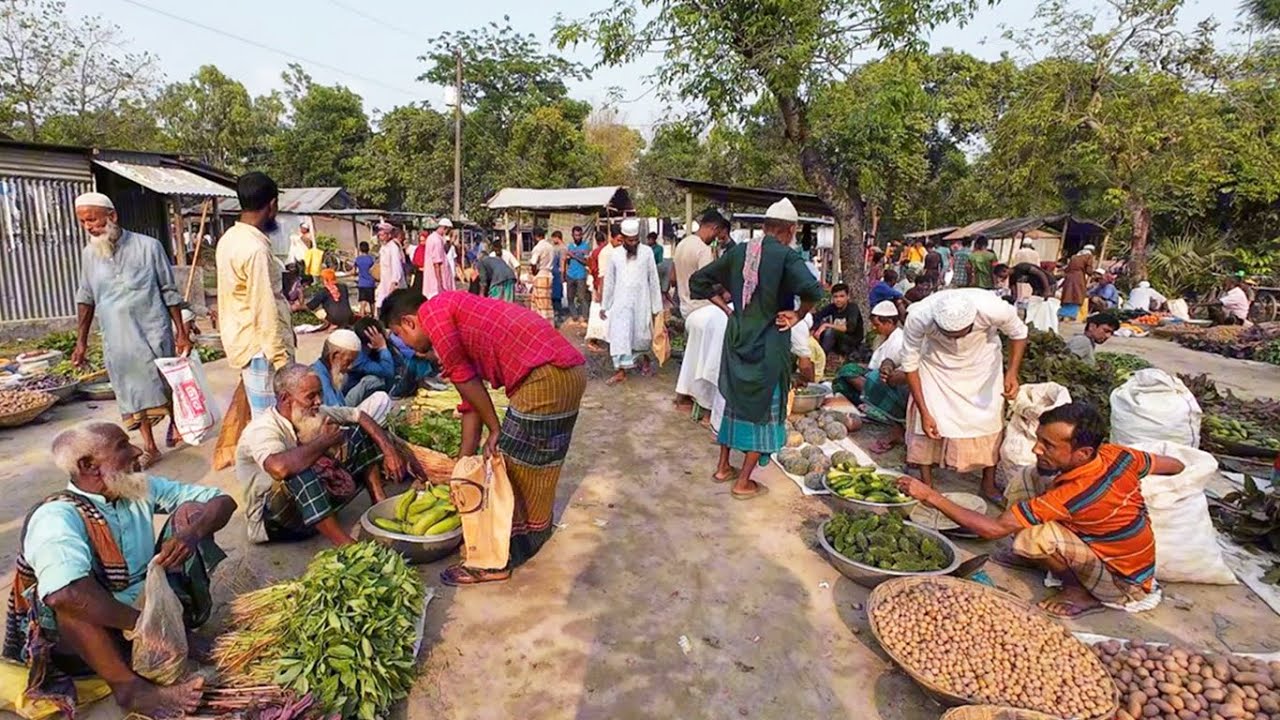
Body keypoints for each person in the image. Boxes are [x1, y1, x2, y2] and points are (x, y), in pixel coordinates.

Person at [4, 422, 235, 717]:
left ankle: (176, 630)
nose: (137, 450)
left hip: (139, 612)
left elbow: (223, 501)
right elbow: (63, 595)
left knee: (192, 513)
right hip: (89, 639)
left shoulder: (133, 488)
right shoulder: (57, 516)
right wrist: (148, 627)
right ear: (89, 465)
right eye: (122, 446)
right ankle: (130, 690)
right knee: (67, 596)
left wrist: (193, 532)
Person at [380, 289, 587, 586]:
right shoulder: (451, 311)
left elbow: (465, 381)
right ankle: (532, 535)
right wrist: (462, 464)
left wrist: (495, 429)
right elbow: (470, 401)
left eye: (400, 334)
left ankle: (494, 562)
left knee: (506, 471)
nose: (409, 347)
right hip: (567, 373)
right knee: (539, 464)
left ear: (409, 321)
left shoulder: (435, 316)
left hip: (543, 377)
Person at [898, 401, 1177, 618]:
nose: (1036, 448)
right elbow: (1175, 465)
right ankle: (1042, 562)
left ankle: (1080, 593)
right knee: (1030, 475)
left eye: (1048, 445)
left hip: (1123, 584)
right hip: (1111, 550)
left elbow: (993, 530)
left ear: (1083, 453)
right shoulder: (1118, 455)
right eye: (1039, 439)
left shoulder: (1075, 494)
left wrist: (930, 495)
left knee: (1033, 537)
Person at [689, 198, 824, 500]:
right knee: (764, 409)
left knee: (735, 401)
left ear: (764, 226)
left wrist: (728, 309)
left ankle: (724, 467)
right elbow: (814, 291)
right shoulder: (787, 257)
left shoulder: (739, 251)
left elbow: (698, 282)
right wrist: (799, 314)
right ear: (790, 230)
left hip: (737, 336)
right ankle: (743, 482)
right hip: (769, 340)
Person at [71, 192, 192, 467]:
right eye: (83, 222)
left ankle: (179, 423)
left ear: (111, 216)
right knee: (130, 393)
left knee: (163, 383)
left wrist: (181, 331)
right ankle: (150, 446)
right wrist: (81, 342)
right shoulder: (89, 255)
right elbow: (85, 297)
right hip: (117, 338)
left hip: (152, 330)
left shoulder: (148, 247)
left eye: (93, 220)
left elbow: (168, 291)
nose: (89, 227)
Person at [236, 363, 406, 546]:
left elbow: (358, 415)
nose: (318, 401)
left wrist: (389, 451)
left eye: (319, 393)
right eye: (311, 396)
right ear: (286, 398)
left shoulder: (312, 411)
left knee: (357, 433)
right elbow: (279, 468)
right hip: (275, 521)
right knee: (298, 470)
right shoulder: (263, 428)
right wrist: (325, 441)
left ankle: (379, 502)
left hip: (311, 508)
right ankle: (347, 545)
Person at [900, 289, 1028, 503]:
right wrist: (924, 411)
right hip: (936, 366)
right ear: (937, 324)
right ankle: (927, 483)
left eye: (960, 333)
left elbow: (1019, 333)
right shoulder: (919, 317)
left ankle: (987, 484)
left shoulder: (992, 308)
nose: (955, 340)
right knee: (928, 420)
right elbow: (910, 364)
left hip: (982, 364)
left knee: (988, 420)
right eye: (949, 335)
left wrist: (1012, 372)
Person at [216, 172, 295, 418]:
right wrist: (281, 360)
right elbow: (263, 306)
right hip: (262, 349)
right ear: (272, 205)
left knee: (262, 418)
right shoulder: (255, 249)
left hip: (247, 342)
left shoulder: (229, 238)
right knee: (271, 422)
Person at [674, 210, 730, 415]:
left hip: (686, 308)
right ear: (714, 228)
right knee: (710, 358)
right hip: (702, 309)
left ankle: (683, 396)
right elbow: (706, 284)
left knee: (693, 356)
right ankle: (706, 404)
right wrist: (725, 299)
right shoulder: (703, 251)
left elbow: (673, 276)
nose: (717, 238)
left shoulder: (682, 243)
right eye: (717, 233)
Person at [833, 300, 908, 452]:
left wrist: (870, 375)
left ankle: (880, 407)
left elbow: (887, 369)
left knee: (863, 375)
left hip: (895, 386)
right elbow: (875, 364)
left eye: (878, 324)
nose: (875, 328)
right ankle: (866, 402)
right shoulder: (882, 338)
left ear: (889, 322)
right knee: (845, 373)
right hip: (879, 375)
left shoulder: (898, 340)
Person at [602, 218, 663, 384]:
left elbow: (653, 279)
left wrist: (657, 306)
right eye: (630, 241)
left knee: (641, 335)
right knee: (620, 336)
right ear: (623, 239)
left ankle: (645, 362)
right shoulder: (615, 255)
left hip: (642, 302)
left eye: (636, 240)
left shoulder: (647, 252)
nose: (634, 243)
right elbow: (609, 282)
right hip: (621, 304)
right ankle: (620, 371)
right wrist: (604, 305)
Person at [309, 329, 393, 423]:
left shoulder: (331, 372)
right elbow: (335, 414)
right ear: (335, 356)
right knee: (381, 401)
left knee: (380, 395)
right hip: (336, 420)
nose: (350, 367)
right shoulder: (317, 377)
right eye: (348, 362)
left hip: (343, 408)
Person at [586, 227, 621, 352]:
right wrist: (600, 292)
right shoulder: (605, 252)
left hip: (606, 287)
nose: (620, 243)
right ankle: (593, 340)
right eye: (619, 240)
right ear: (610, 237)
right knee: (599, 315)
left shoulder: (614, 251)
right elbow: (601, 274)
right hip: (602, 287)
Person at [813, 283, 866, 360]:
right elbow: (818, 316)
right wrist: (815, 329)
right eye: (835, 297)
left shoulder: (852, 308)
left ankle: (821, 358)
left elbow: (850, 328)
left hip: (851, 342)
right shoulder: (832, 307)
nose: (838, 300)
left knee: (830, 332)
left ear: (847, 297)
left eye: (842, 296)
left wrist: (826, 325)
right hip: (837, 340)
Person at [417, 219, 454, 299]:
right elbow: (437, 263)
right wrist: (439, 283)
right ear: (445, 228)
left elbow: (443, 253)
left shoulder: (433, 238)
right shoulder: (436, 241)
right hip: (436, 284)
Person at [1059, 244, 1096, 320]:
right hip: (1078, 278)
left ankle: (1062, 314)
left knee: (1068, 295)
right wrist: (1093, 274)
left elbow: (1067, 268)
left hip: (1069, 278)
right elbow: (1089, 270)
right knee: (1076, 295)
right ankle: (1070, 315)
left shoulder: (1074, 257)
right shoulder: (1088, 256)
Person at [527, 227, 557, 323]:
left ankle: (541, 323)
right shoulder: (551, 247)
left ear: (535, 236)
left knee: (540, 302)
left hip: (541, 275)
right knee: (547, 301)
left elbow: (533, 263)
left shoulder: (538, 248)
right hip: (549, 275)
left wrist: (534, 272)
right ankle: (548, 322)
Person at [564, 226, 591, 323]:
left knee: (582, 297)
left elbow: (586, 262)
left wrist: (574, 256)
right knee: (570, 297)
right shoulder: (570, 246)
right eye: (576, 235)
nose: (578, 237)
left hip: (581, 275)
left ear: (582, 235)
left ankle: (585, 316)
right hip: (570, 274)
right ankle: (574, 315)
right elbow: (567, 260)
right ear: (572, 235)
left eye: (579, 235)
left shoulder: (585, 246)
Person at [375, 222, 405, 311]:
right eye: (379, 234)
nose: (380, 236)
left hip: (392, 285)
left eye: (382, 234)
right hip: (384, 283)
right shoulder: (383, 248)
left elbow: (397, 267)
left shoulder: (393, 248)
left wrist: (394, 283)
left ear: (389, 235)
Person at [1011, 234, 1042, 302]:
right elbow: (1038, 265)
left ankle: (1020, 301)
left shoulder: (1019, 252)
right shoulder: (1035, 253)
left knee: (1021, 289)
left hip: (1020, 274)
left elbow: (1015, 264)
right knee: (1029, 288)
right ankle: (1028, 301)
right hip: (1032, 273)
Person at [353, 241, 377, 316]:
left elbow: (354, 271)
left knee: (363, 303)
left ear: (360, 249)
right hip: (370, 283)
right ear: (368, 249)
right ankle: (373, 317)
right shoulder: (371, 259)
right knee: (372, 302)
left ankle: (362, 317)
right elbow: (375, 270)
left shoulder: (358, 259)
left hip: (361, 283)